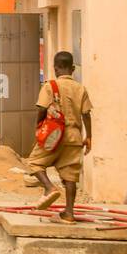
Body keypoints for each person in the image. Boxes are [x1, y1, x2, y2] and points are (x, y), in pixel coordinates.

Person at [24, 51, 93, 224]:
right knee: (70, 175)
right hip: (75, 137)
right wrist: (89, 136)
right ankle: (69, 213)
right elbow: (86, 114)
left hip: (53, 135)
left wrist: (37, 128)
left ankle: (49, 187)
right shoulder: (81, 88)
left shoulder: (50, 85)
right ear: (73, 68)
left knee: (34, 162)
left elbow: (41, 108)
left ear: (55, 69)